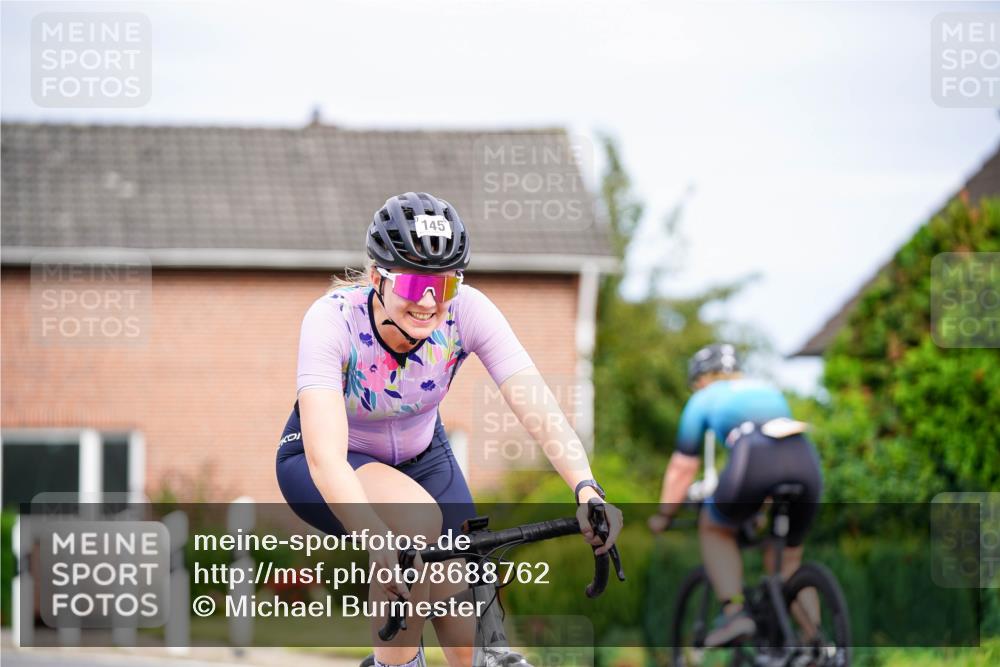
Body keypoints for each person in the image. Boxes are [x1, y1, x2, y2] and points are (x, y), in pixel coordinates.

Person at [276, 192, 623, 667]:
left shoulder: (469, 311)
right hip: (327, 460)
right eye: (415, 283)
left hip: (425, 457)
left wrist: (586, 488)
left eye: (444, 286)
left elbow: (538, 407)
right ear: (377, 277)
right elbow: (326, 458)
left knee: (469, 631)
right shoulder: (332, 319)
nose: (428, 301)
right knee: (416, 524)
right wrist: (378, 540)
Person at [648, 344, 822, 647]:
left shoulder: (704, 398)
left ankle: (734, 611)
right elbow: (778, 452)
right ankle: (817, 646)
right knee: (787, 565)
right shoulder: (768, 390)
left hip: (753, 456)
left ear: (702, 379)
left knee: (714, 528)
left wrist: (665, 515)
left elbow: (682, 467)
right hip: (805, 458)